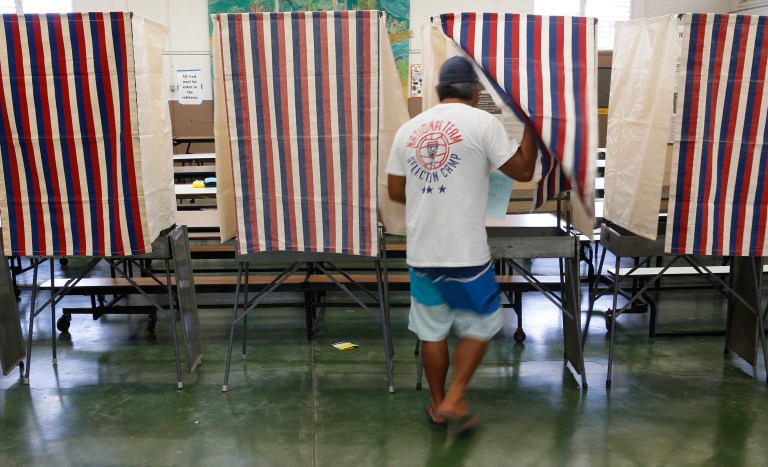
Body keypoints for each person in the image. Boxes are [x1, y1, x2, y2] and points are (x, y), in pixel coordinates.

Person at [386, 55, 538, 433]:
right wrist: (532, 127)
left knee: (431, 330)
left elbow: (395, 191)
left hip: (422, 250)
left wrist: (430, 193)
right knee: (483, 323)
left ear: (439, 90)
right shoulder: (482, 122)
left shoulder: (408, 130)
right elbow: (523, 171)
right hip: (464, 251)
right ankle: (455, 396)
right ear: (474, 91)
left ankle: (438, 406)